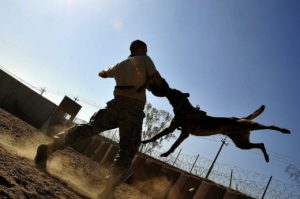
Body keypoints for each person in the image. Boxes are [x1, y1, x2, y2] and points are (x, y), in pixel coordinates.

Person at [34, 40, 169, 199]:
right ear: (140, 49)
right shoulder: (146, 60)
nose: (147, 52)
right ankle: (108, 190)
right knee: (127, 150)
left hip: (115, 106)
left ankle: (48, 148)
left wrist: (109, 72)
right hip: (132, 111)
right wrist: (158, 85)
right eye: (145, 49)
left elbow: (103, 73)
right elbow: (159, 81)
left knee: (88, 128)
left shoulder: (120, 65)